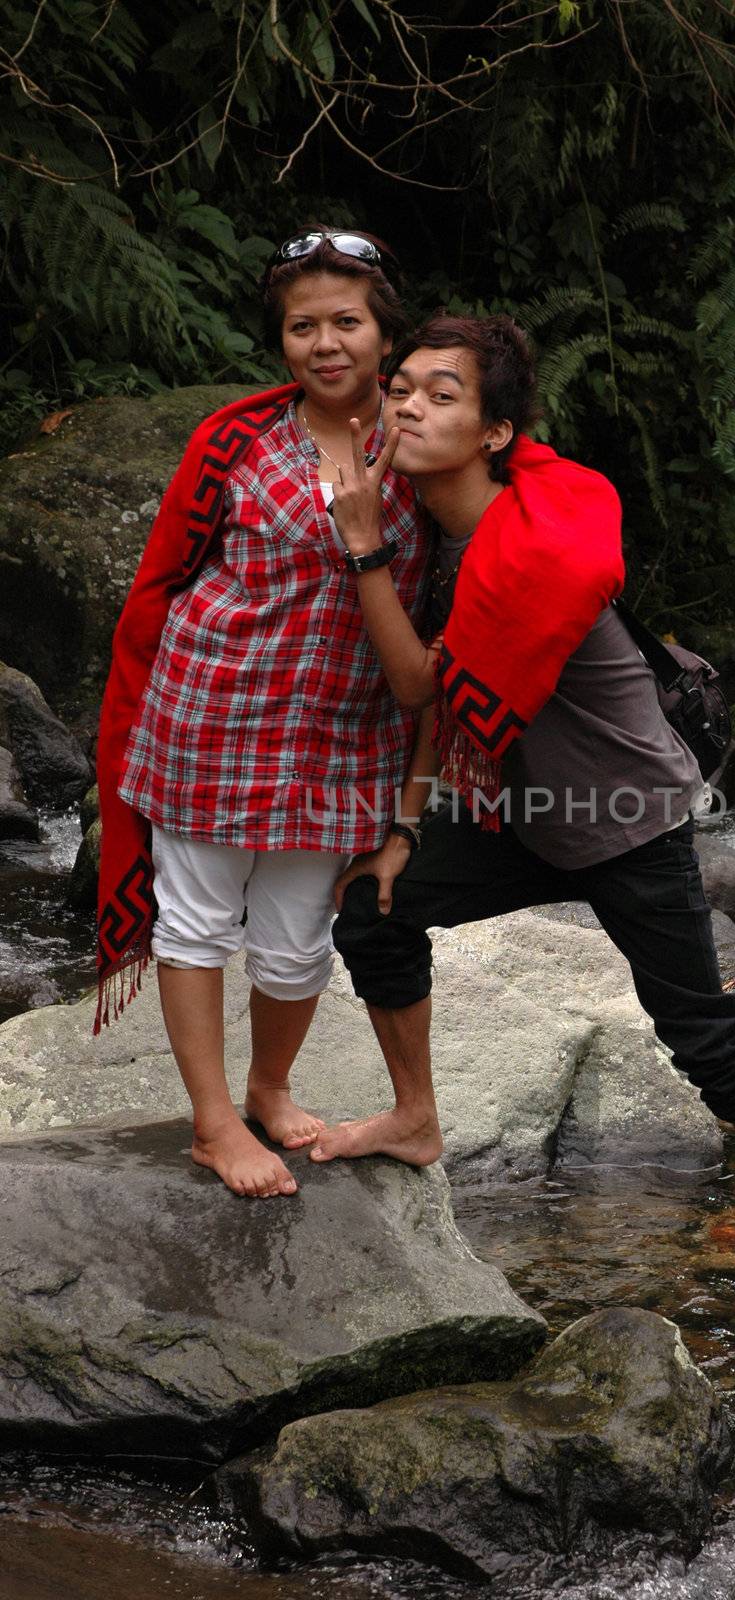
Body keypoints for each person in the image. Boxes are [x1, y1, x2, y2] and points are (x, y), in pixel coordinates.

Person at [315, 311, 735, 1384]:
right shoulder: (440, 532)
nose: (409, 406)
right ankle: (416, 1118)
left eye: (442, 395)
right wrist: (406, 826)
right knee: (371, 908)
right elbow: (436, 705)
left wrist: (362, 541)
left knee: (703, 1038)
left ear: (498, 430)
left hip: (622, 820)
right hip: (524, 816)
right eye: (404, 389)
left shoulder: (529, 547)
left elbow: (425, 681)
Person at [93, 229, 430, 1200]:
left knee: (294, 939)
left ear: (383, 331)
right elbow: (167, 576)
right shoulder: (235, 439)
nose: (325, 344)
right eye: (302, 326)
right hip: (214, 712)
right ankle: (211, 1124)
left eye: (346, 322)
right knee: (195, 922)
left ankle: (268, 1088)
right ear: (280, 339)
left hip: (343, 730)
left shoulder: (422, 438)